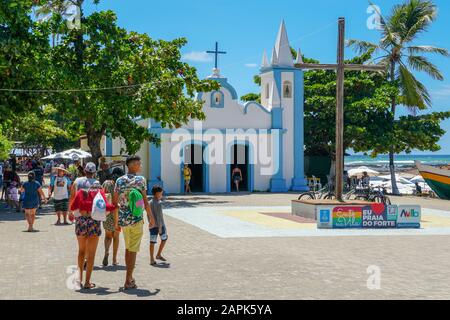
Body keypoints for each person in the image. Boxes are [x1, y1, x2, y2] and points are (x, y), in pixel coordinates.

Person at [113, 155, 155, 290]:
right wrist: (151, 217)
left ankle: (129, 278)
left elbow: (115, 202)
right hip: (136, 220)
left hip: (124, 220)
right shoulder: (140, 180)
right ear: (131, 165)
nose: (140, 166)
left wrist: (122, 210)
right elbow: (145, 201)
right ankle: (128, 279)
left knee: (128, 248)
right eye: (138, 163)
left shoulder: (119, 181)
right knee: (133, 250)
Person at [70, 181, 115, 289]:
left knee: (81, 252)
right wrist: (114, 206)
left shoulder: (80, 192)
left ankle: (78, 280)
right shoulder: (99, 194)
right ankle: (87, 282)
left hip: (81, 223)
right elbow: (106, 209)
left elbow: (73, 207)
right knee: (91, 255)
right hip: (94, 224)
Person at [101, 167, 124, 267]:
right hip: (117, 212)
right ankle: (114, 259)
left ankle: (106, 252)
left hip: (106, 212)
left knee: (108, 236)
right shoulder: (119, 186)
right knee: (116, 237)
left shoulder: (105, 183)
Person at [149, 185, 168, 266]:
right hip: (160, 226)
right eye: (161, 193)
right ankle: (158, 254)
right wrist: (160, 228)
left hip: (152, 226)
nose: (162, 195)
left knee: (152, 242)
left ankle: (151, 259)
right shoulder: (159, 203)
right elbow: (160, 217)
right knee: (164, 238)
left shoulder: (149, 202)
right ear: (157, 194)